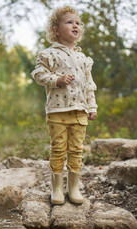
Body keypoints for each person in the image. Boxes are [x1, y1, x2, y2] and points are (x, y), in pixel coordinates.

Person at [31, 6, 97, 205]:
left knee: (76, 149)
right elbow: (38, 74)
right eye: (69, 22)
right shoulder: (49, 54)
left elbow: (88, 85)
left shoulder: (82, 59)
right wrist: (56, 79)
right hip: (58, 111)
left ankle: (74, 187)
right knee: (58, 149)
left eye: (77, 23)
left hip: (79, 111)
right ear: (56, 30)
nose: (75, 25)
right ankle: (57, 188)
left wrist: (92, 107)